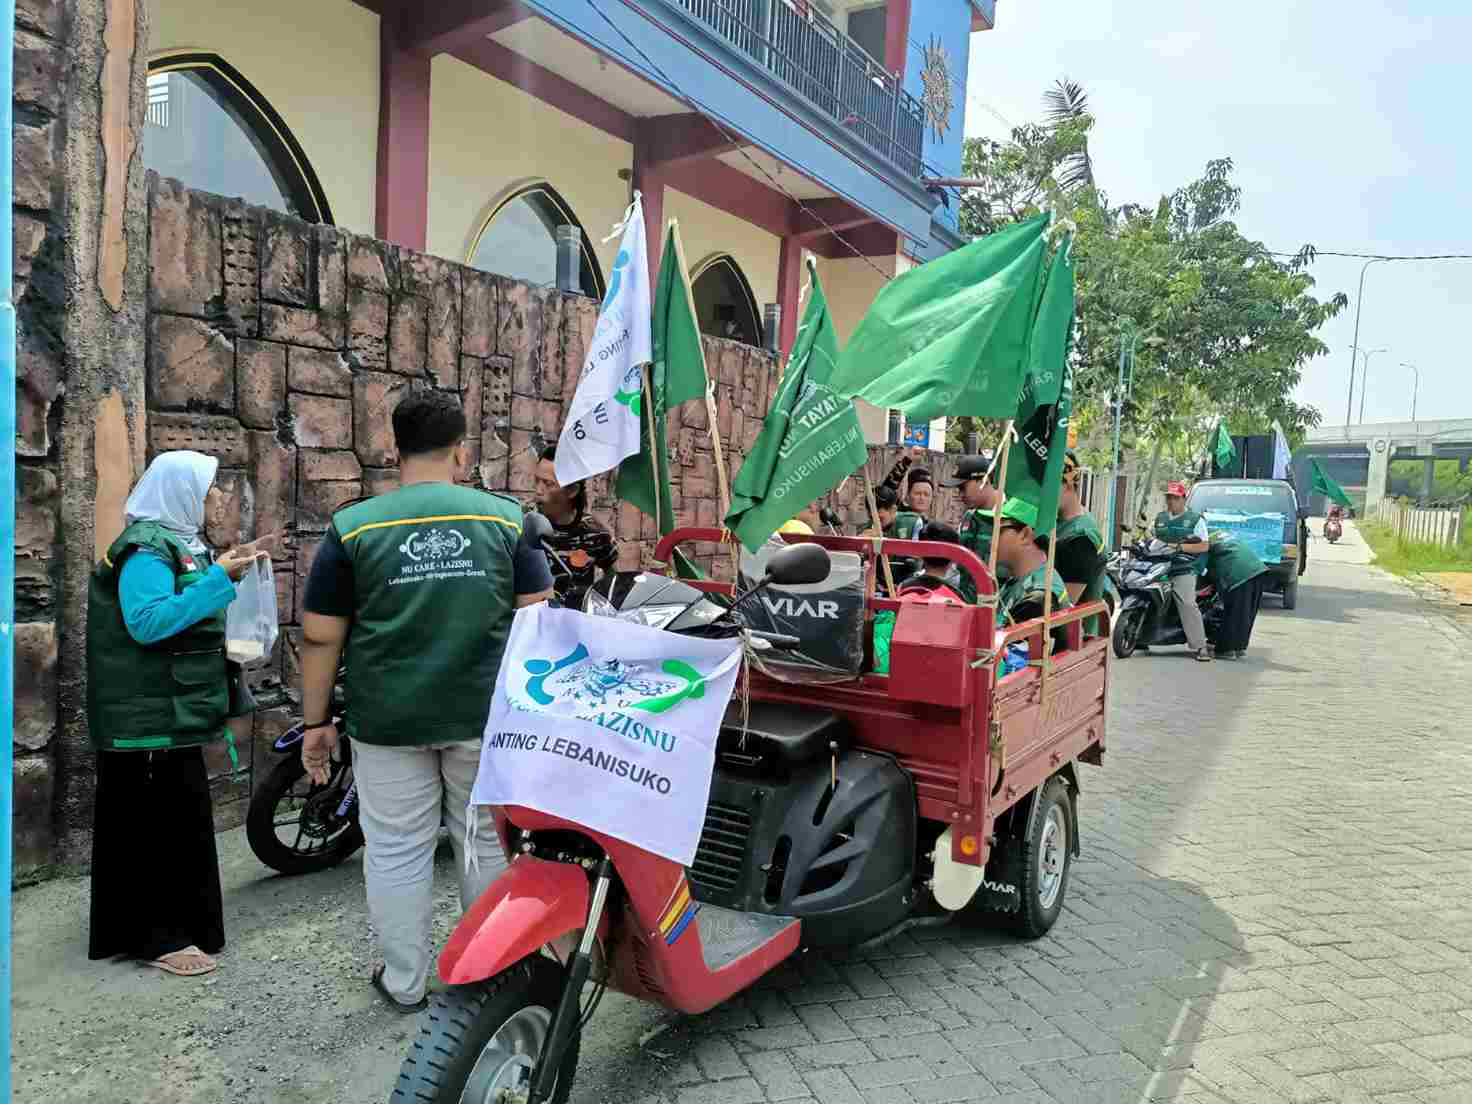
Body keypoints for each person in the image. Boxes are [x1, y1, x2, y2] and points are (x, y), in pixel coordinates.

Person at [299, 391, 554, 1013]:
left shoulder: (353, 527)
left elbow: (320, 633)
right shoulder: (504, 520)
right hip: (485, 721)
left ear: (394, 450)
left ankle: (405, 981)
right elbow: (538, 624)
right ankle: (491, 978)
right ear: (460, 451)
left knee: (394, 849)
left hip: (386, 722)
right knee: (484, 846)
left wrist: (315, 723)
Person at [87, 451, 271, 978]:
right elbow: (146, 621)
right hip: (144, 721)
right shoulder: (145, 550)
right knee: (154, 827)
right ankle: (155, 937)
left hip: (166, 714)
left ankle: (178, 927)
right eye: (210, 489)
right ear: (182, 493)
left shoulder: (174, 546)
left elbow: (184, 598)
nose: (217, 499)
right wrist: (218, 579)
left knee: (176, 820)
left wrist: (223, 570)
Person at [872, 521, 965, 674]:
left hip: (897, 666)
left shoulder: (903, 589)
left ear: (921, 552)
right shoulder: (957, 598)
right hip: (936, 670)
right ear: (953, 558)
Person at [534, 445, 617, 605]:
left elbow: (615, 583)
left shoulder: (596, 533)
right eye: (536, 480)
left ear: (572, 491)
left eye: (548, 484)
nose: (538, 490)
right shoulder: (523, 525)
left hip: (576, 624)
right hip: (533, 622)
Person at [1048, 452, 1112, 634]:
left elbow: (1063, 604)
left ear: (1067, 484)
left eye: (1047, 488)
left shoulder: (1081, 537)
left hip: (1071, 640)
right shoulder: (1057, 522)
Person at [989, 498, 1072, 635]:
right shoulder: (1018, 580)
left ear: (1025, 535)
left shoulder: (1038, 599)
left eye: (998, 530)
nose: (990, 538)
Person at [1153, 481, 1212, 662]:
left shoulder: (1195, 520)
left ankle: (1200, 645)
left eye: (1175, 498)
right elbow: (1152, 538)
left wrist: (1181, 547)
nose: (1171, 501)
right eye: (1169, 498)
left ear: (1183, 499)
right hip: (1159, 565)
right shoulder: (1160, 518)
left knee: (1186, 602)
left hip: (1184, 567)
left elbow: (1204, 546)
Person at [945, 453, 1005, 601]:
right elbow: (956, 567)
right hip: (967, 604)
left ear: (983, 481)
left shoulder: (1011, 517)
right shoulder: (968, 519)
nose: (960, 494)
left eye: (963, 487)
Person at [1206, 530, 1268, 660]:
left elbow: (1200, 567)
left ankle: (1226, 650)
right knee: (1246, 613)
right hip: (1258, 569)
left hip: (1239, 573)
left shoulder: (1201, 541)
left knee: (1234, 612)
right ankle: (1239, 647)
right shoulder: (1218, 533)